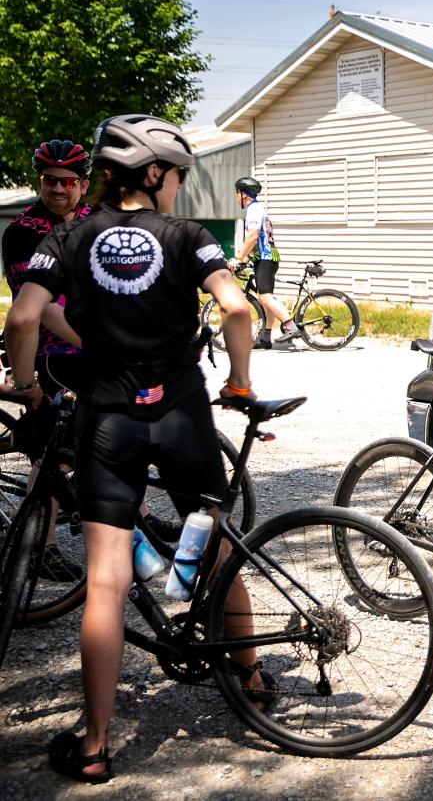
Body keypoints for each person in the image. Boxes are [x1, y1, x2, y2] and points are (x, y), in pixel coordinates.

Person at [4, 114, 268, 783]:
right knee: (216, 543)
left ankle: (94, 745)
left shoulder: (68, 234)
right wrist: (238, 380)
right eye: (177, 174)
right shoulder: (187, 237)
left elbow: (24, 317)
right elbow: (237, 309)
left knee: (106, 578)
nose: (179, 187)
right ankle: (254, 677)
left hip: (108, 419)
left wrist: (30, 385)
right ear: (152, 174)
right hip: (180, 412)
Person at [2, 140, 92, 582]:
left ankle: (140, 516)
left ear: (83, 184)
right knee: (55, 452)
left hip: (96, 343)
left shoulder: (96, 220)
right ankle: (43, 544)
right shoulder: (23, 231)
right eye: (49, 180)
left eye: (68, 181)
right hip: (55, 351)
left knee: (119, 434)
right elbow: (40, 308)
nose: (58, 188)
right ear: (40, 181)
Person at [227, 177, 298, 349]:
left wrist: (238, 257)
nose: (236, 198)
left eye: (236, 193)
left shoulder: (253, 210)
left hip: (266, 259)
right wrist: (243, 260)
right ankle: (266, 338)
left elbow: (252, 236)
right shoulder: (255, 209)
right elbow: (256, 241)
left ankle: (290, 326)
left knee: (265, 297)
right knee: (266, 298)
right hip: (264, 258)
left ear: (243, 194)